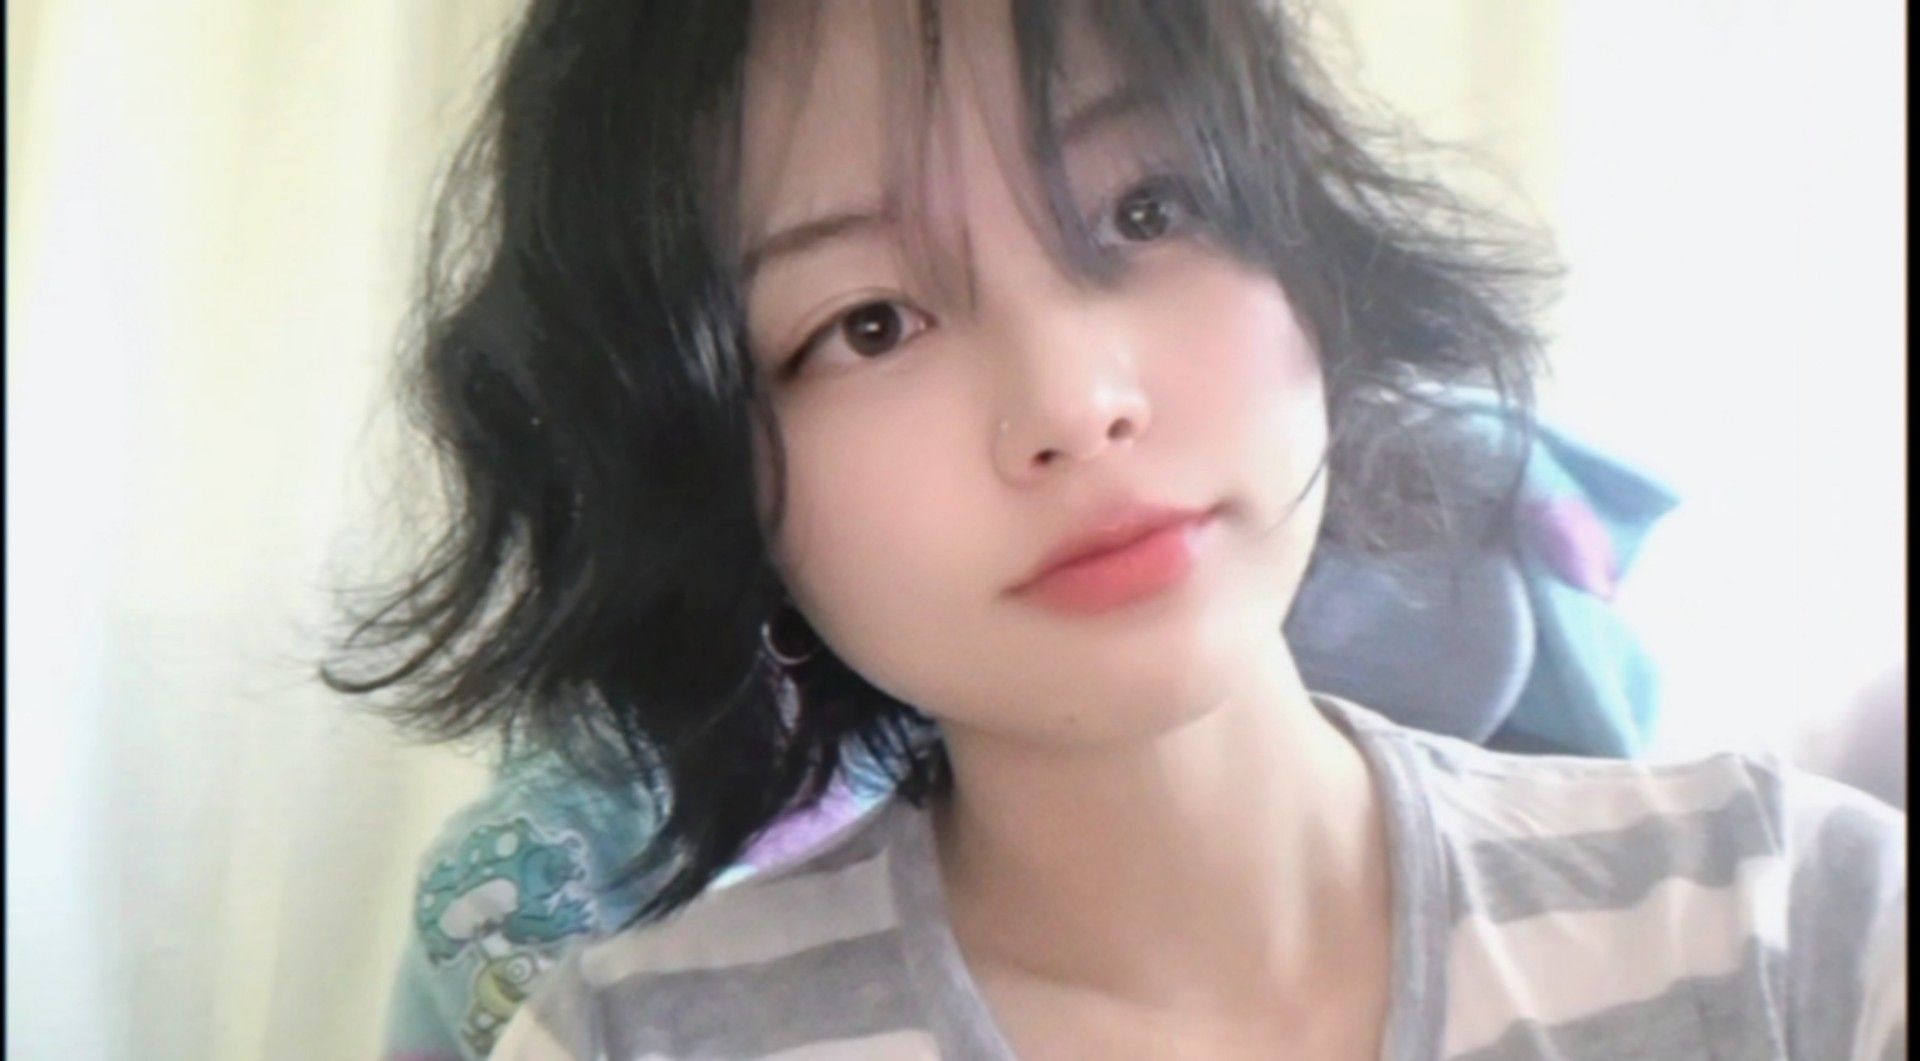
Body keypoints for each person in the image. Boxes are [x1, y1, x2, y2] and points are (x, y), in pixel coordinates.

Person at [328, 1, 1906, 1058]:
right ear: (714, 486)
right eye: (869, 322)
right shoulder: (625, 1043)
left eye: (1148, 212)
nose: (1076, 402)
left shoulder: (1796, 919)